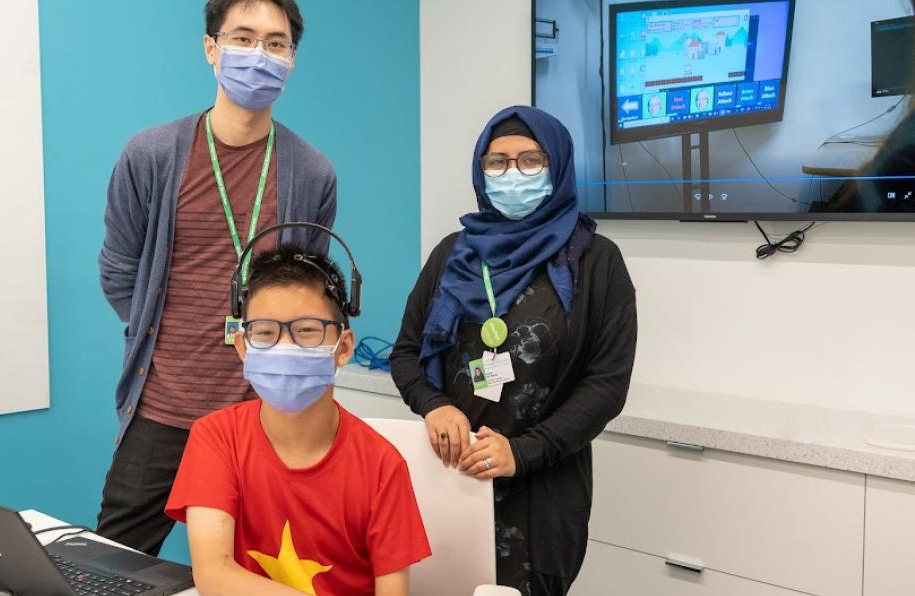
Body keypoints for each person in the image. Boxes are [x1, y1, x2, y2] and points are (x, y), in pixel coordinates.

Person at [96, 0, 337, 555]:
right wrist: (164, 339)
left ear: (292, 59)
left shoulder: (313, 172)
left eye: (276, 43)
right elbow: (118, 270)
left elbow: (308, 290)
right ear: (211, 49)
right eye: (244, 38)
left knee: (264, 564)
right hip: (162, 402)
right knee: (115, 563)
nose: (260, 55)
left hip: (262, 408)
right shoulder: (151, 155)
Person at [390, 106, 638, 595]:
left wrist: (522, 452)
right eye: (497, 162)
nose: (512, 174)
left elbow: (606, 385)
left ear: (558, 166)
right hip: (450, 474)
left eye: (530, 160)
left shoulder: (596, 260)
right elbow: (406, 353)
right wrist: (435, 405)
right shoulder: (452, 253)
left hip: (543, 486)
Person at [165, 245, 431, 596]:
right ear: (243, 347)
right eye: (265, 332)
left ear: (344, 347)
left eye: (307, 331)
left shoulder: (382, 466)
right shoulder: (216, 438)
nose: (284, 347)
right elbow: (214, 575)